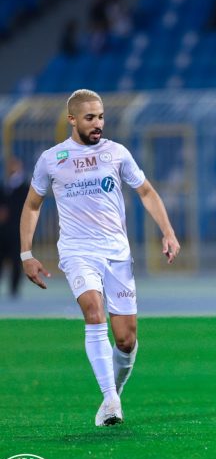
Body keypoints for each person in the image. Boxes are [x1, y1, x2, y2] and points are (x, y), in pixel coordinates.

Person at [19, 89, 180, 427]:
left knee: (126, 338)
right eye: (90, 118)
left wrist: (168, 231)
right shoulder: (52, 158)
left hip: (116, 252)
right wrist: (26, 253)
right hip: (78, 251)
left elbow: (146, 192)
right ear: (72, 119)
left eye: (101, 117)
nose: (98, 124)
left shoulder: (117, 153)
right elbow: (33, 205)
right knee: (93, 311)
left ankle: (112, 394)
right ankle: (110, 400)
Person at [0, 157, 27, 298]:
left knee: (16, 261)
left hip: (17, 230)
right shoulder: (4, 185)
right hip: (3, 230)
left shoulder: (24, 187)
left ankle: (14, 290)